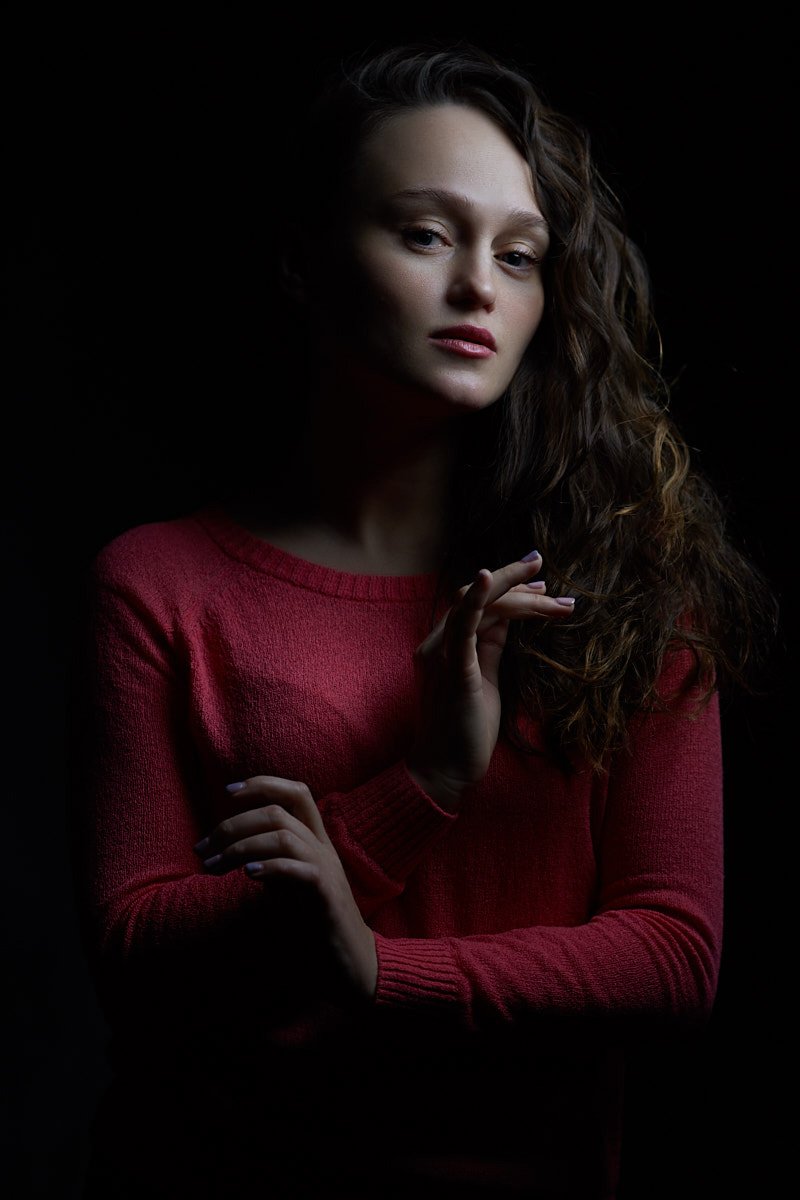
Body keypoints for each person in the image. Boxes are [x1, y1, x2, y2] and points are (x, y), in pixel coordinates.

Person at [68, 40, 776, 1199]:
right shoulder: (159, 584)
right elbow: (135, 956)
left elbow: (671, 954)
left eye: (518, 255)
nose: (478, 288)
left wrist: (377, 972)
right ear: (303, 259)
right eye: (425, 234)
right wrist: (423, 784)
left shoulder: (627, 583)